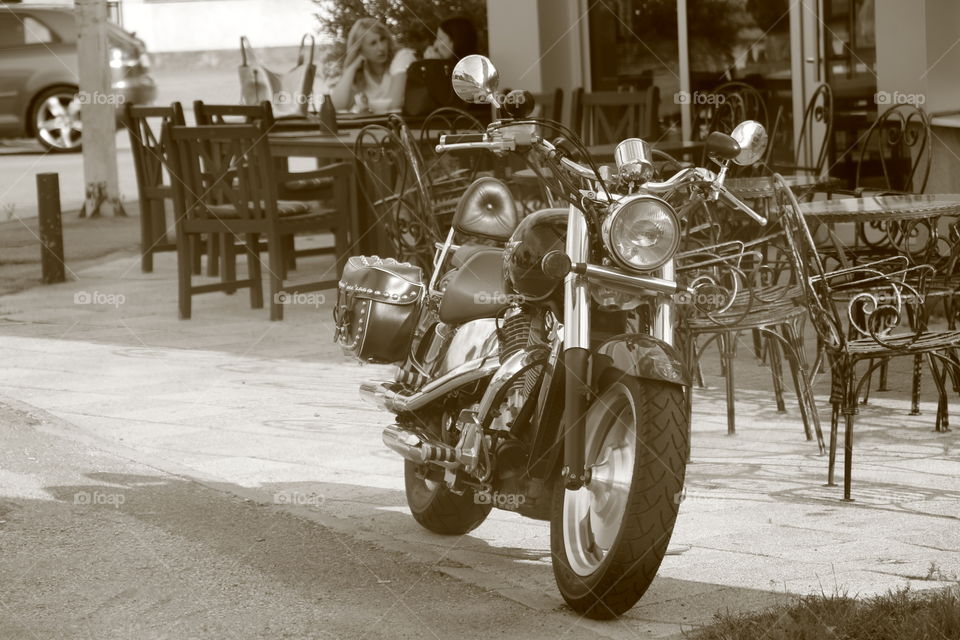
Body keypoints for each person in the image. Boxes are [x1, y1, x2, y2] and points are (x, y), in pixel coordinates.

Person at [331, 18, 416, 113]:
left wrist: (367, 107)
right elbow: (336, 106)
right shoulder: (361, 73)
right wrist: (351, 68)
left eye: (382, 39)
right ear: (360, 49)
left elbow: (394, 103)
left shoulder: (402, 56)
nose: (381, 47)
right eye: (373, 43)